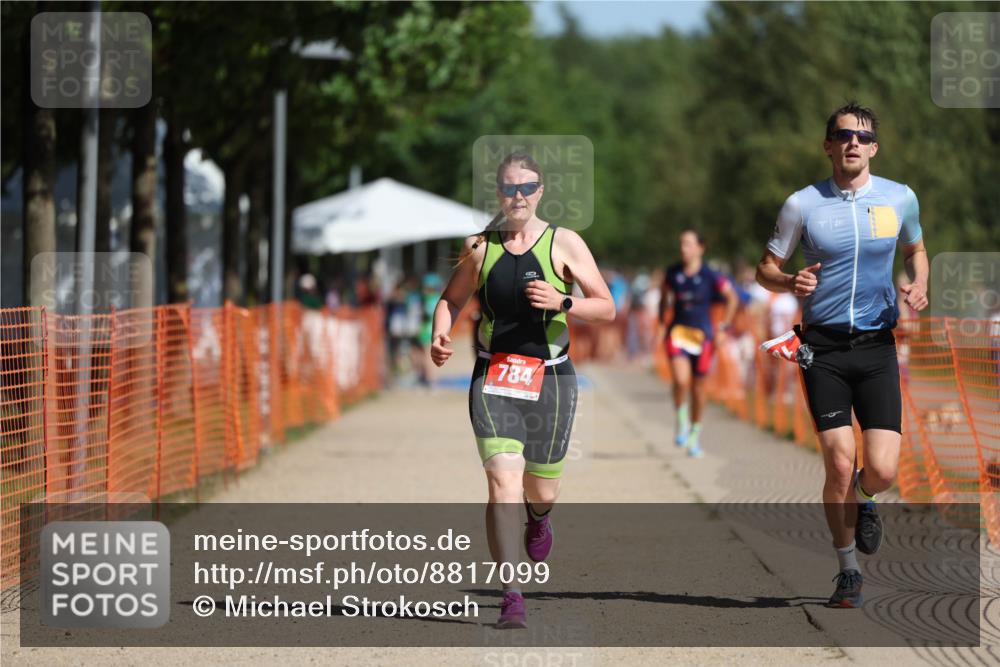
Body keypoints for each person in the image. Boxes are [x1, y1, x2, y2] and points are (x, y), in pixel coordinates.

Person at [430, 152, 615, 629]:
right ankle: (511, 594)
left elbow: (607, 307)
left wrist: (563, 300)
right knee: (502, 483)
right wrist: (440, 332)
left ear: (541, 192)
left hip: (551, 377)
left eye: (527, 188)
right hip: (494, 376)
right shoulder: (480, 247)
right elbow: (451, 299)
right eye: (509, 188)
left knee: (540, 486)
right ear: (498, 193)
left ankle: (540, 517)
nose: (518, 197)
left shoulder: (565, 243)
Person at [755, 102, 928, 608]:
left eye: (863, 136)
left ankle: (867, 497)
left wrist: (919, 283)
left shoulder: (900, 198)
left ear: (874, 147)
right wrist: (789, 280)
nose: (853, 142)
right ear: (828, 144)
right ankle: (847, 569)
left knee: (882, 470)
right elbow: (764, 268)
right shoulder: (802, 204)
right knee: (837, 460)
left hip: (875, 346)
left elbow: (916, 249)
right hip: (822, 349)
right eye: (843, 134)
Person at [658, 229, 739, 457]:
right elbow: (664, 299)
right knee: (681, 381)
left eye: (688, 244)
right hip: (678, 334)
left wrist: (724, 327)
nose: (683, 248)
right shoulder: (672, 273)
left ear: (700, 248)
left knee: (698, 388)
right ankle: (681, 418)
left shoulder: (711, 275)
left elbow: (732, 298)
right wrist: (662, 323)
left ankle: (694, 434)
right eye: (681, 243)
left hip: (703, 338)